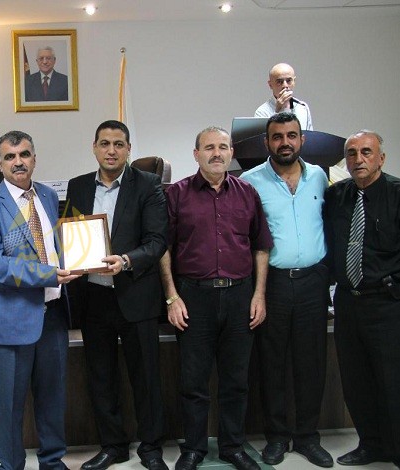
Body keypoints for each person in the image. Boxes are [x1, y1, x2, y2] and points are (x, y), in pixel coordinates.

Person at [160, 127, 272, 470]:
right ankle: (193, 449)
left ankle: (232, 447)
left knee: (236, 381)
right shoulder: (177, 194)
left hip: (240, 296)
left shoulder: (247, 193)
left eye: (223, 147)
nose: (217, 153)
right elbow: (163, 248)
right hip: (194, 297)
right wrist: (172, 297)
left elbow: (261, 246)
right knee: (193, 382)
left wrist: (259, 294)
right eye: (209, 147)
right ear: (196, 154)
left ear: (231, 152)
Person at [0, 130, 79, 470]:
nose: (18, 162)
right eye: (10, 157)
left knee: (52, 397)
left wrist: (84, 259)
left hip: (53, 315)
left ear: (34, 158)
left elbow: (58, 245)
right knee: (10, 404)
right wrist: (48, 274)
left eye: (24, 155)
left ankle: (53, 461)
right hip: (11, 318)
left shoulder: (48, 195)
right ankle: (11, 465)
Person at [65, 120, 169, 470]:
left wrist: (125, 261)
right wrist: (71, 261)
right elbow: (72, 236)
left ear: (128, 149)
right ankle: (113, 446)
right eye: (105, 143)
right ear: (94, 147)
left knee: (146, 378)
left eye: (119, 144)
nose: (111, 150)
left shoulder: (148, 184)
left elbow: (157, 241)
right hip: (94, 296)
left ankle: (151, 448)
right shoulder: (78, 186)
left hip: (135, 294)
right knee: (101, 377)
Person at [240, 113, 333, 467]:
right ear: (267, 142)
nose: (285, 143)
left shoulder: (319, 176)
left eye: (291, 135)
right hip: (273, 283)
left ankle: (308, 437)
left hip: (313, 282)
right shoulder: (250, 182)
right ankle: (277, 437)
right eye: (277, 136)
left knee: (312, 363)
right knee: (272, 363)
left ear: (302, 140)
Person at [323, 130, 400, 468]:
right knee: (356, 381)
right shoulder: (336, 196)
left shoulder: (396, 193)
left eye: (366, 152)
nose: (358, 159)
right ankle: (369, 444)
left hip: (387, 303)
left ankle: (396, 448)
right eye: (352, 153)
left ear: (381, 158)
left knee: (391, 381)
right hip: (348, 302)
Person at [254, 63, 313, 131]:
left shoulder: (302, 107)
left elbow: (310, 136)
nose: (285, 85)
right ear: (270, 85)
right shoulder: (262, 112)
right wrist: (278, 111)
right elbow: (267, 137)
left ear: (294, 82)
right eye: (279, 82)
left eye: (289, 81)